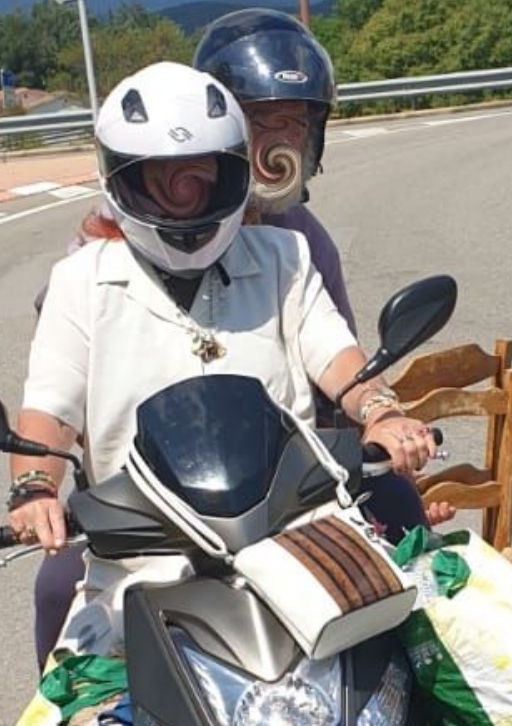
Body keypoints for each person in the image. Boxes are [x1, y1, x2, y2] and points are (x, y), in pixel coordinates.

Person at [24, 12, 446, 670]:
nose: (184, 197)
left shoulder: (289, 253)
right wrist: (33, 488)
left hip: (290, 520)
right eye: (161, 177)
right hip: (143, 536)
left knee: (422, 626)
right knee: (68, 658)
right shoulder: (84, 274)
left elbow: (337, 357)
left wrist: (384, 411)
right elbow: (49, 409)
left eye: (204, 172)